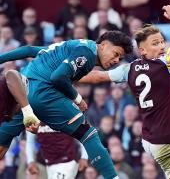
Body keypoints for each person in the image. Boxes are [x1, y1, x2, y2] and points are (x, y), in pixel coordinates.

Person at [0, 30, 133, 179]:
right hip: (43, 94)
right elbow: (58, 77)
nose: (116, 60)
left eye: (120, 58)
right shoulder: (87, 53)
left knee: (2, 144)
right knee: (88, 135)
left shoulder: (72, 45)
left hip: (21, 93)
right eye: (115, 54)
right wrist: (77, 98)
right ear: (103, 45)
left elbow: (28, 50)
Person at [79, 4, 170, 179]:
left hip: (149, 137)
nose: (162, 46)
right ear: (142, 50)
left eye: (162, 41)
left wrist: (70, 73)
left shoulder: (129, 69)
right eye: (155, 43)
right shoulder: (166, 64)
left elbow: (98, 77)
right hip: (166, 138)